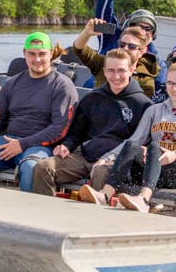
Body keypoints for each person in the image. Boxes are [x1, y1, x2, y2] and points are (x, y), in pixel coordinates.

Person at [79, 64, 176, 212]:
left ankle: (144, 199)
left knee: (154, 147)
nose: (174, 88)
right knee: (133, 146)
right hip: (150, 170)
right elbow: (136, 139)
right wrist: (107, 157)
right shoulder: (155, 110)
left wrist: (175, 155)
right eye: (170, 83)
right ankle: (105, 195)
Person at [0, 32, 77, 192]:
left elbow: (59, 129)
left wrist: (22, 144)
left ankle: (27, 215)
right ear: (24, 54)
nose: (37, 59)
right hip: (8, 142)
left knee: (31, 167)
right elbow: (1, 124)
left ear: (51, 54)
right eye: (31, 54)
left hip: (40, 146)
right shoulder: (12, 84)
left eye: (42, 54)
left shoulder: (62, 86)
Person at [31, 49, 151, 197]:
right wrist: (66, 146)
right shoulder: (92, 98)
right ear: (104, 72)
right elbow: (76, 133)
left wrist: (110, 159)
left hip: (114, 162)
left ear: (132, 70)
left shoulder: (143, 105)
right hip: (85, 156)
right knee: (43, 167)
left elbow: (141, 143)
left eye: (121, 70)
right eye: (111, 71)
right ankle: (47, 215)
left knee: (100, 174)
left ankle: (93, 218)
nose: (116, 76)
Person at [92, 0, 163, 82]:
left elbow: (162, 83)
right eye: (136, 26)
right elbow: (102, 18)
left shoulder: (154, 58)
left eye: (148, 29)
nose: (141, 31)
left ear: (153, 35)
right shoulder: (112, 36)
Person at [71, 20, 159, 95]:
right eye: (122, 45)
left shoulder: (146, 81)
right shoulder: (103, 62)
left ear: (142, 51)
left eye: (131, 46)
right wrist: (86, 33)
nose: (125, 49)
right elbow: (79, 49)